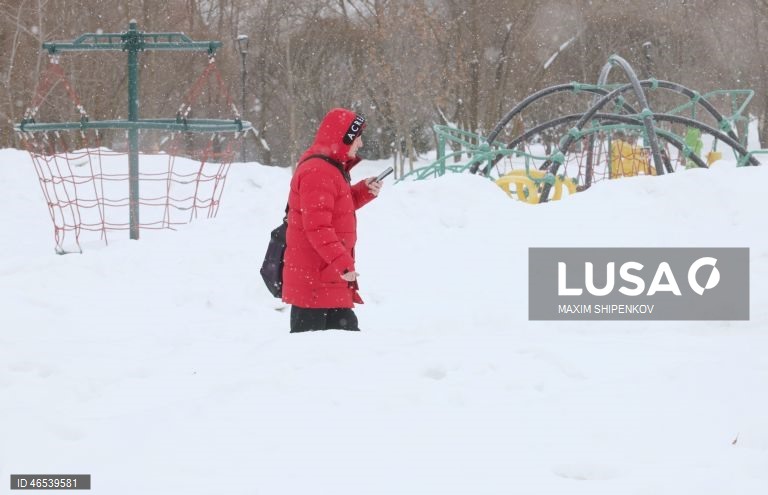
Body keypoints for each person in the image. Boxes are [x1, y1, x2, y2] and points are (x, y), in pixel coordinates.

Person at [281, 108, 382, 333]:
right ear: (345, 139)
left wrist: (363, 191)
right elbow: (317, 227)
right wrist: (343, 264)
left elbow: (334, 209)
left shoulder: (330, 169)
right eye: (358, 138)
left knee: (344, 355)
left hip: (328, 280)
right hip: (315, 286)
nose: (361, 144)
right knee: (310, 360)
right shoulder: (318, 171)